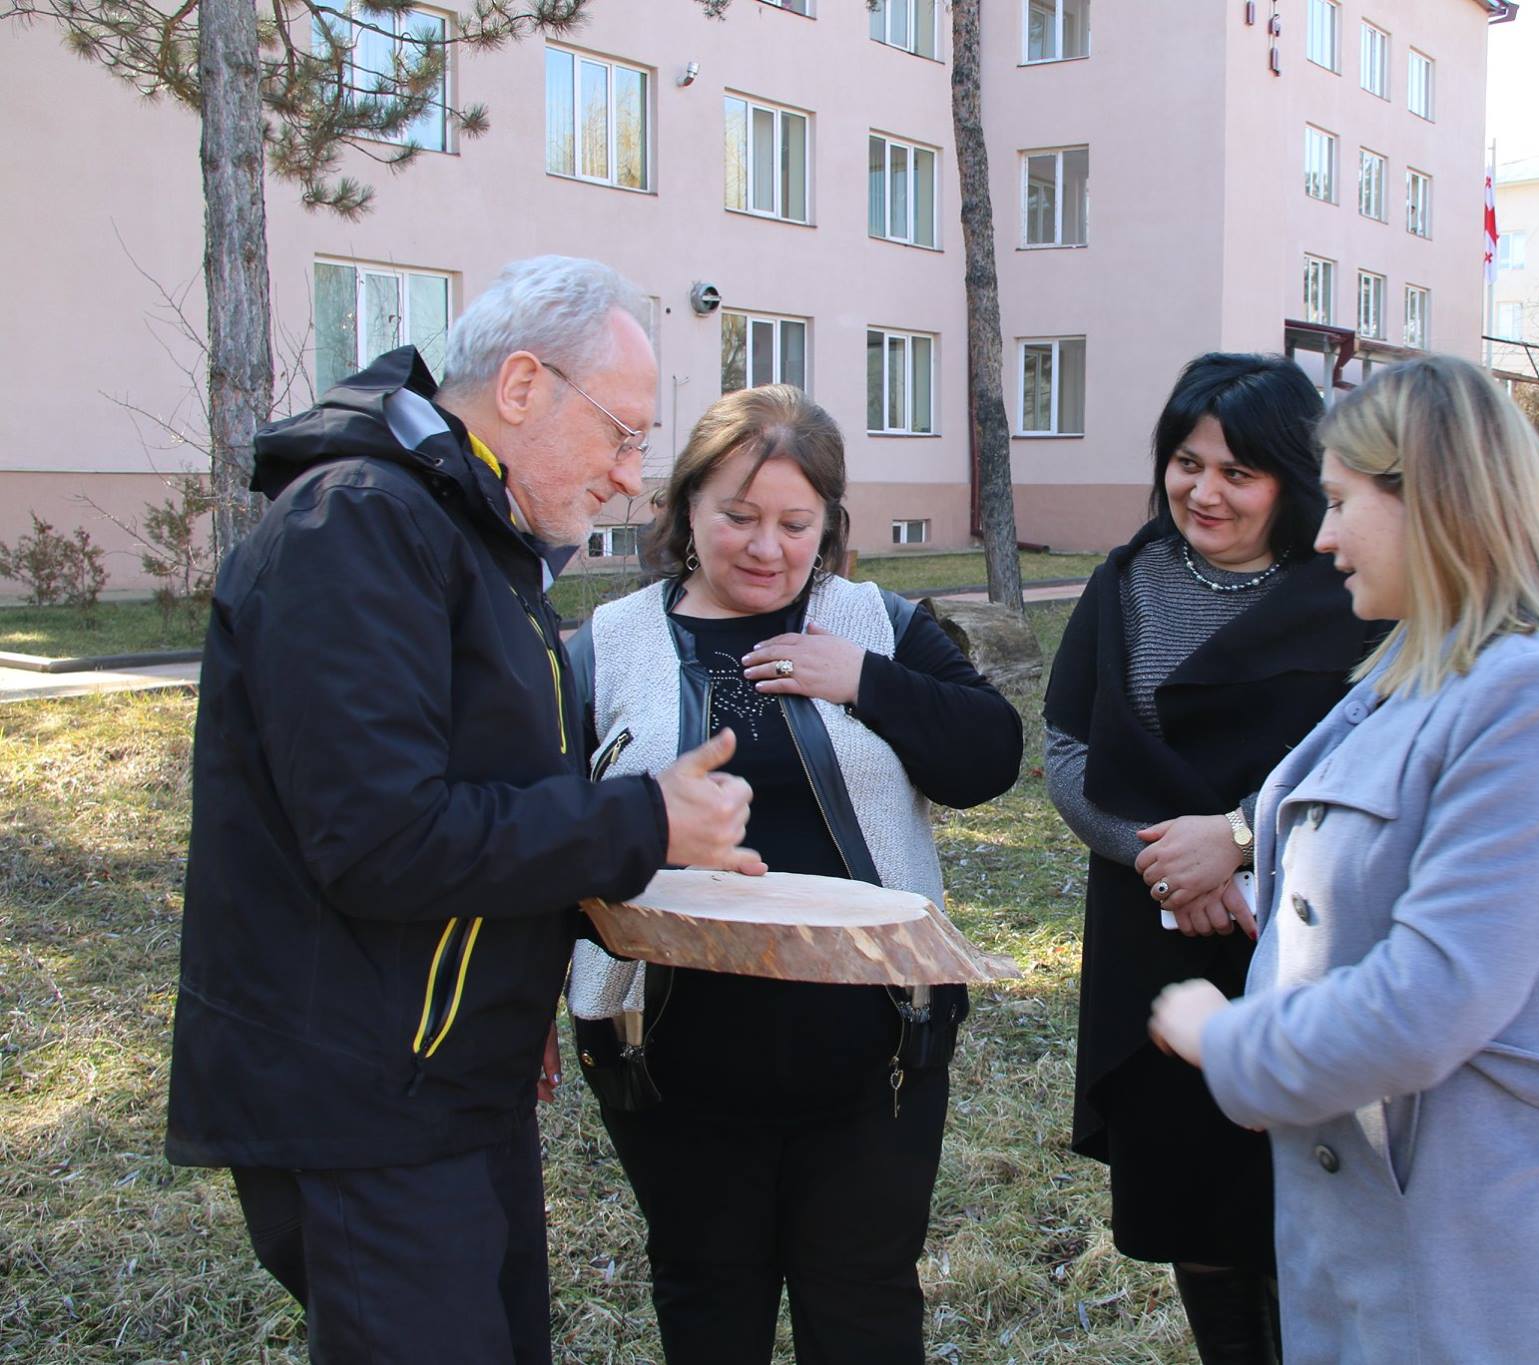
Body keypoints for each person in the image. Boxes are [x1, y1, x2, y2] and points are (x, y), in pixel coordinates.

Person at [166, 256, 763, 1364]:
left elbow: (494, 803)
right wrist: (641, 821)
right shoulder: (357, 525)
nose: (630, 478)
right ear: (524, 385)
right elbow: (380, 839)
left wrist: (534, 964)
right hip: (361, 1099)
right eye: (621, 435)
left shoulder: (476, 541)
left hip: (449, 1076)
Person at [1149, 354, 1539, 1363]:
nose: (1322, 536)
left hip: (1502, 1255)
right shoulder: (1418, 670)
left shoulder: (1538, 697)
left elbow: (1434, 991)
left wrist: (1233, 1043)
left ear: (1433, 499)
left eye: (1340, 502)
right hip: (1398, 1229)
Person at [564, 383, 1023, 1363]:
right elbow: (549, 834)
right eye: (738, 516)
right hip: (669, 1061)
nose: (765, 548)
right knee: (706, 1305)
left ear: (828, 523)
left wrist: (863, 679)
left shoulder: (876, 624)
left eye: (794, 523)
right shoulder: (608, 647)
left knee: (863, 1310)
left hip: (874, 1059)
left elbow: (988, 757)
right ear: (686, 505)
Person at [1041, 354, 1385, 1363]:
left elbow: (1375, 758)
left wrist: (1236, 842)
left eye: (1238, 472)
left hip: (1308, 935)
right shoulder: (1124, 583)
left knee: (1306, 1201)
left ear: (1291, 478)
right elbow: (1067, 752)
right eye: (1186, 463)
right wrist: (1164, 863)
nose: (1204, 491)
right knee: (1193, 1208)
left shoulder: (1352, 586)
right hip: (1155, 946)